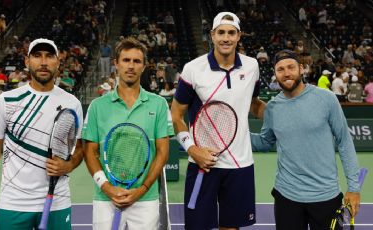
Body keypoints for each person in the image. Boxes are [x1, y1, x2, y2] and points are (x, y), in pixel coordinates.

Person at [0, 38, 84, 230]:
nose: (43, 62)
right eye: (37, 56)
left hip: (57, 203)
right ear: (27, 61)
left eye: (49, 56)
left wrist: (68, 165)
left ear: (58, 62)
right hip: (13, 202)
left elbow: (79, 149)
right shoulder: (6, 100)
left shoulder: (72, 103)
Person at [170, 12, 266, 230]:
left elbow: (254, 103)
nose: (226, 38)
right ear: (212, 35)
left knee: (231, 227)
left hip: (240, 164)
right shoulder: (193, 69)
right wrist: (192, 149)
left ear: (239, 36)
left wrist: (284, 113)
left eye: (231, 33)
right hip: (203, 162)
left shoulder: (252, 67)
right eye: (221, 32)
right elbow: (176, 114)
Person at [250, 49, 361, 230]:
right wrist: (236, 136)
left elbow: (344, 142)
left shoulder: (326, 99)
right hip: (286, 196)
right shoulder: (273, 108)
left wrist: (354, 188)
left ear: (301, 69)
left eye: (291, 67)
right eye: (280, 69)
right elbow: (265, 142)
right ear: (275, 74)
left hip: (326, 196)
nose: (286, 73)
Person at [82, 37, 174, 229]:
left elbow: (162, 152)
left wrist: (142, 189)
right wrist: (107, 188)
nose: (131, 66)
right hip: (106, 198)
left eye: (136, 61)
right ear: (116, 64)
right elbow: (90, 152)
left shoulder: (159, 105)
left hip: (145, 199)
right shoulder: (97, 107)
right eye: (126, 60)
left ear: (144, 66)